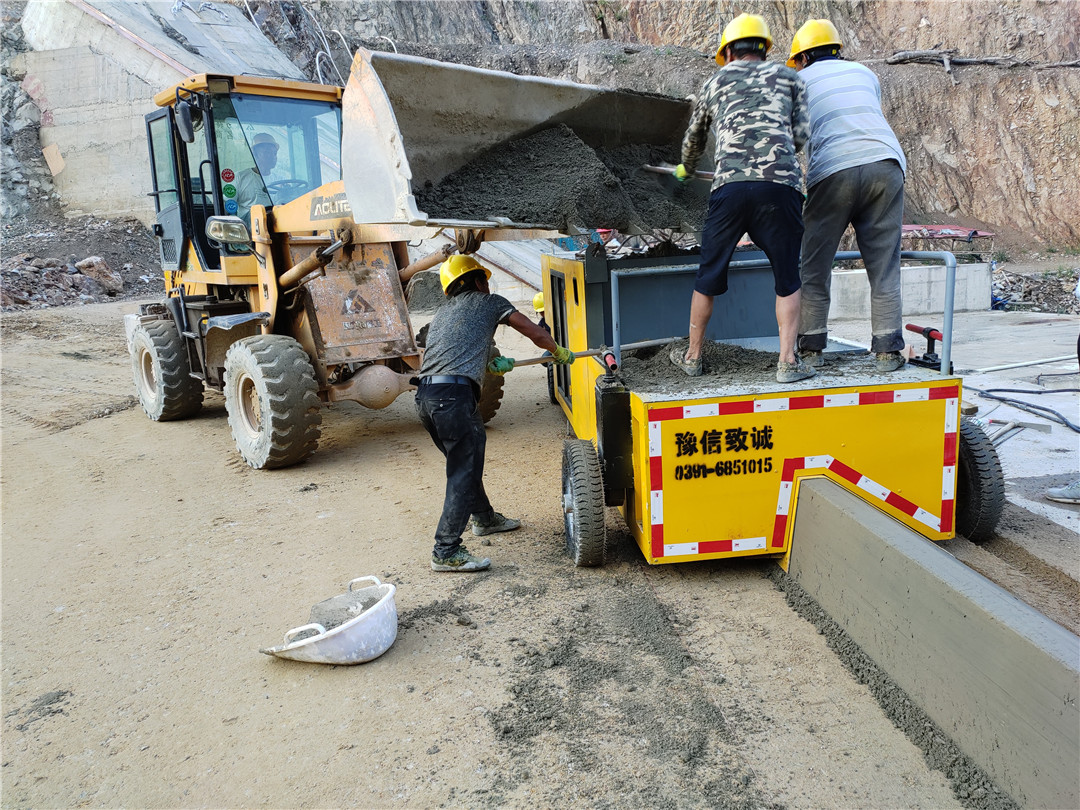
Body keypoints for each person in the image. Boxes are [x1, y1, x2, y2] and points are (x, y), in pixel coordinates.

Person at [671, 13, 813, 384]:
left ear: (730, 50)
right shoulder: (790, 77)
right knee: (787, 276)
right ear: (764, 48)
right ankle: (787, 362)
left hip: (729, 188)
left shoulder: (715, 81)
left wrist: (686, 167)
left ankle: (692, 356)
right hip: (780, 188)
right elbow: (799, 136)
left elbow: (695, 137)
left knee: (708, 274)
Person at [416, 254, 575, 572]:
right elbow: (532, 330)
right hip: (454, 399)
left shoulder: (444, 312)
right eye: (484, 280)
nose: (487, 286)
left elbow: (447, 352)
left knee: (465, 463)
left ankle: (485, 518)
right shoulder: (488, 302)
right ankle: (446, 550)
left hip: (426, 398)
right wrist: (557, 351)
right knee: (464, 470)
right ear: (477, 281)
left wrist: (481, 367)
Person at [787, 19, 909, 372]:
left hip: (833, 171)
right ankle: (887, 349)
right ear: (837, 50)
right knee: (884, 265)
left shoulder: (796, 80)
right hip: (885, 164)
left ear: (804, 57)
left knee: (814, 264)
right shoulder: (864, 73)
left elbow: (794, 138)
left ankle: (811, 347)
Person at [235, 132, 278, 226]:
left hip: (275, 224)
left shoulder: (279, 180)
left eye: (274, 153)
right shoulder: (240, 177)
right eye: (267, 152)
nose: (273, 157)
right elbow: (228, 206)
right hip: (248, 228)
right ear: (255, 154)